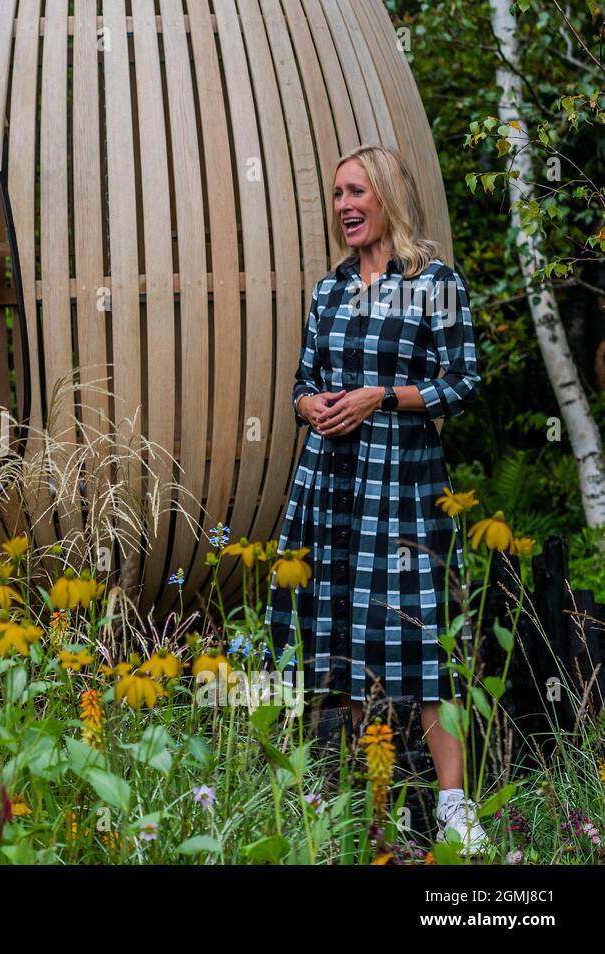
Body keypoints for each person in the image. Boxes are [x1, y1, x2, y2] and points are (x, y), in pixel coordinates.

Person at [265, 145, 489, 854]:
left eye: (356, 191)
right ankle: (376, 806)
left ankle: (454, 810)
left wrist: (381, 397)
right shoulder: (330, 289)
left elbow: (464, 382)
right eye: (336, 195)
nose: (344, 206)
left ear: (388, 195)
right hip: (331, 481)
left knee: (423, 644)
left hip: (406, 486)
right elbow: (303, 379)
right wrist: (311, 405)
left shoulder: (435, 283)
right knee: (343, 639)